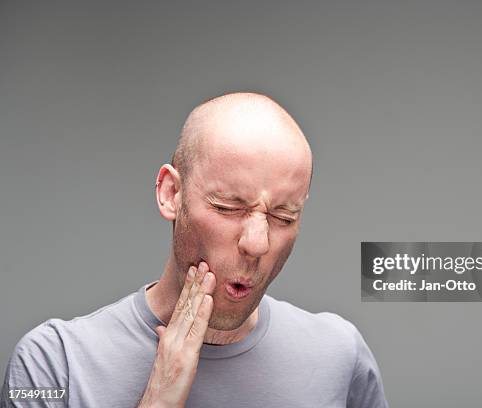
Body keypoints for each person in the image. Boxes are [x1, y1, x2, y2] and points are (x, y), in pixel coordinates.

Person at [1, 92, 389, 408]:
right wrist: (158, 401)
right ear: (171, 194)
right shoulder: (54, 364)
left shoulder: (340, 355)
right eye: (228, 208)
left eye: (283, 216)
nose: (257, 243)